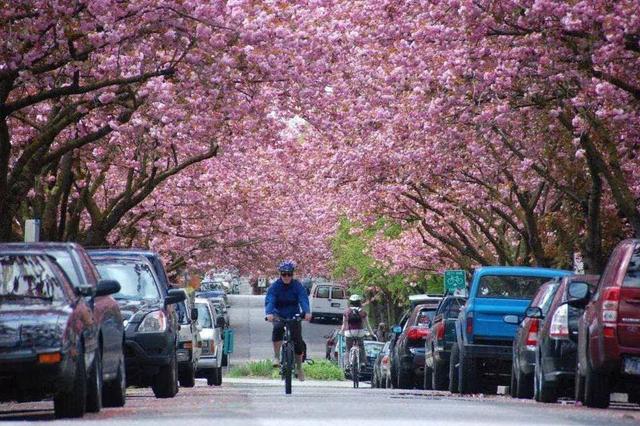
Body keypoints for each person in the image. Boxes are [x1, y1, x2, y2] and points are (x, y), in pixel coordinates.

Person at [265, 260, 311, 381]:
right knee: (277, 328)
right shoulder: (275, 287)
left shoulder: (297, 286)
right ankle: (276, 356)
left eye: (289, 274)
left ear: (292, 274)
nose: (286, 277)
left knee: (297, 340)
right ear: (280, 274)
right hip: (278, 313)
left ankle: (299, 367)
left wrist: (307, 312)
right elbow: (271, 299)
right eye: (284, 274)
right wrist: (269, 313)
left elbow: (303, 299)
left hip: (294, 313)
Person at [341, 294, 374, 368]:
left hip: (348, 333)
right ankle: (363, 363)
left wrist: (341, 332)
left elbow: (344, 324)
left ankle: (346, 365)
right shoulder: (363, 312)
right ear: (359, 302)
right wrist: (372, 334)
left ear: (350, 302)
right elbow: (368, 325)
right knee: (361, 347)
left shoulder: (346, 312)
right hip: (360, 333)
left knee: (348, 349)